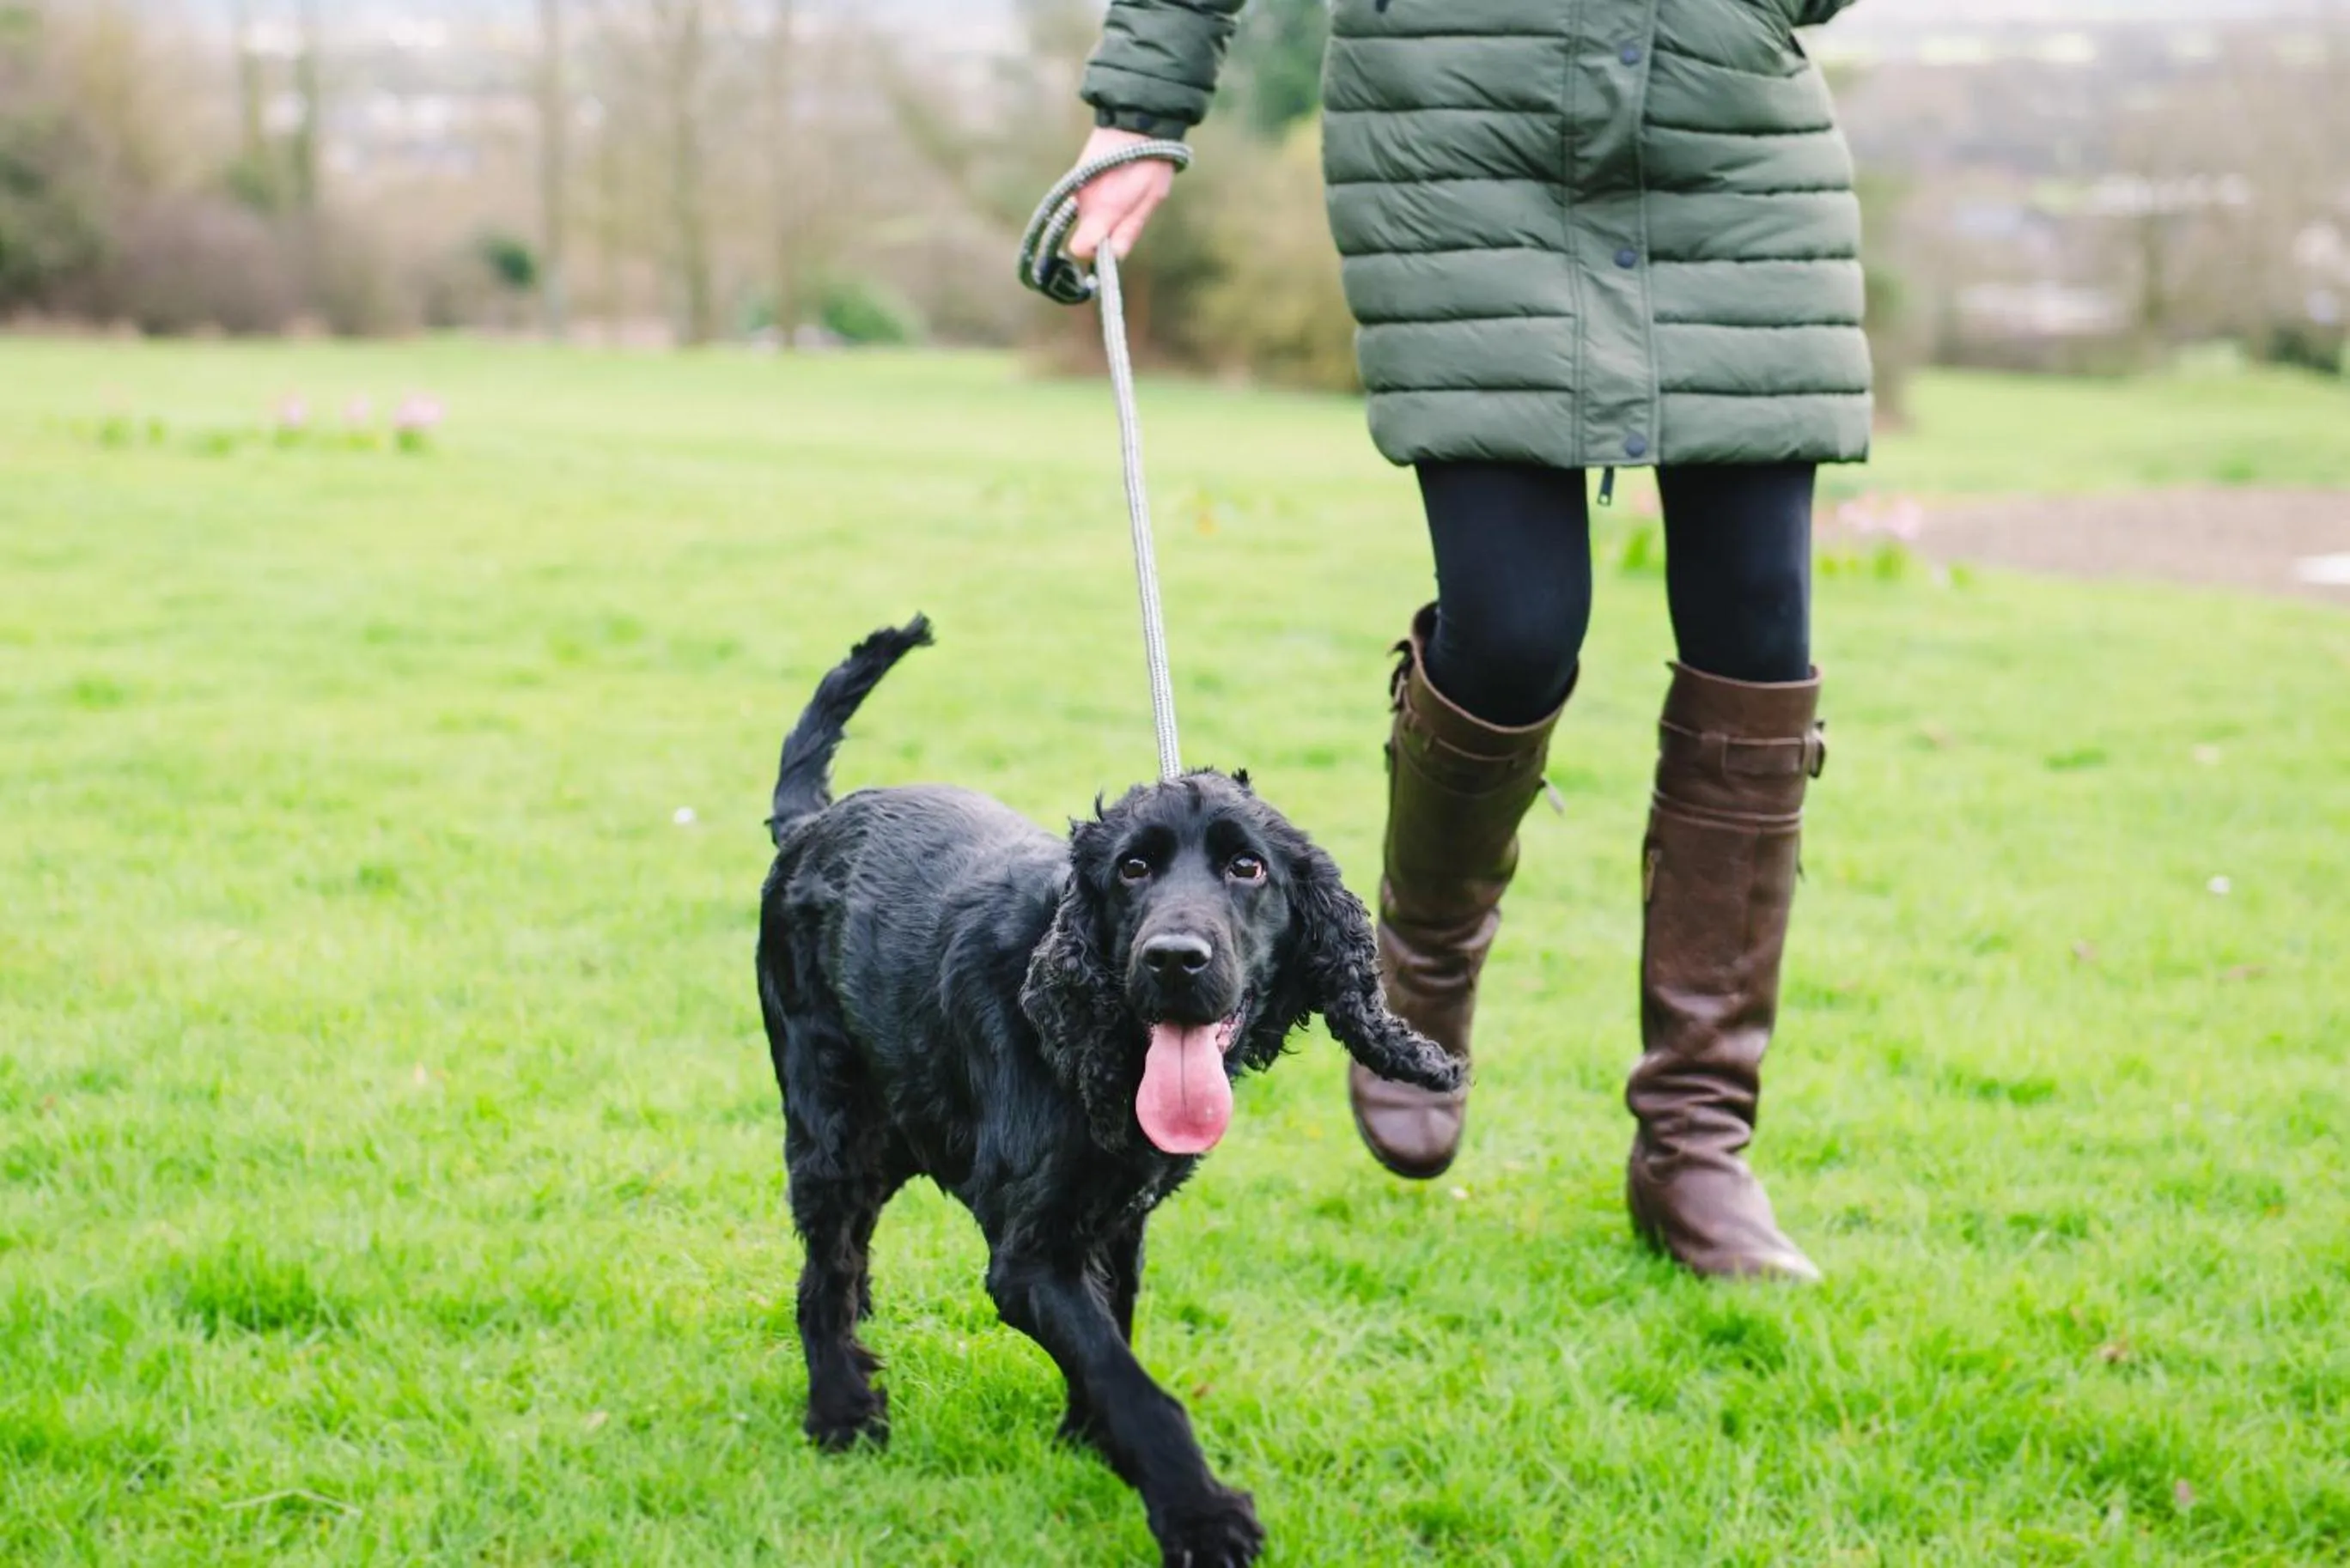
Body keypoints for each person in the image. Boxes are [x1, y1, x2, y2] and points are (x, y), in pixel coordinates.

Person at [1068, 0, 1869, 1283]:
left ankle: (1697, 1143)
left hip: (1722, 127)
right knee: (1513, 628)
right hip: (1457, 136)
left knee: (1759, 645)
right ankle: (1417, 971)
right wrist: (1142, 108)